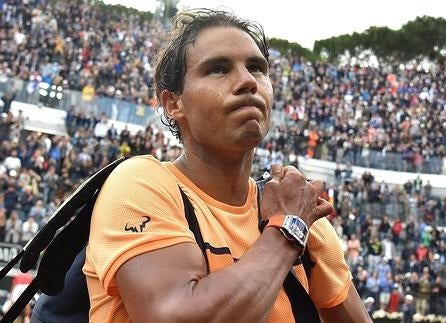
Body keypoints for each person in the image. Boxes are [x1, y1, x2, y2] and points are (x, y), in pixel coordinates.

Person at [82, 8, 370, 323]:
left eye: (257, 68)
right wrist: (287, 231)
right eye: (218, 69)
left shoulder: (302, 215)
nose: (248, 81)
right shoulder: (140, 184)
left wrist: (292, 223)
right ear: (173, 103)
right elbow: (173, 316)